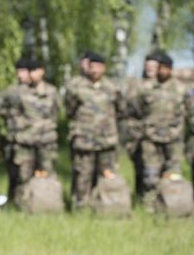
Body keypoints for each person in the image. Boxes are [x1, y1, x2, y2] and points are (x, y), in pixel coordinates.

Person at [132, 52, 193, 209]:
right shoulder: (146, 88)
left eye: (167, 68)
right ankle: (150, 206)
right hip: (150, 139)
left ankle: (173, 205)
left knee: (173, 175)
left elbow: (190, 112)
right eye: (161, 68)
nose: (163, 71)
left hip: (174, 139)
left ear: (171, 70)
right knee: (150, 176)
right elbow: (137, 110)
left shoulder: (181, 89)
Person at [65, 52, 124, 209]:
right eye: (92, 66)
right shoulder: (75, 87)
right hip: (84, 140)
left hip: (107, 140)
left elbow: (120, 110)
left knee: (107, 174)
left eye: (98, 66)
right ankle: (81, 207)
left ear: (104, 68)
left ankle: (106, 206)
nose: (95, 70)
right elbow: (69, 110)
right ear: (87, 67)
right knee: (83, 175)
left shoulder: (112, 88)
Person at [8, 59, 60, 208]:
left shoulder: (51, 92)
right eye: (30, 71)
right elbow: (13, 113)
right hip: (25, 141)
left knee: (47, 173)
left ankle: (47, 205)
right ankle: (22, 206)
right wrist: (23, 126)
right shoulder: (19, 92)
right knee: (23, 176)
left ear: (42, 71)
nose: (32, 74)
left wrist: (46, 127)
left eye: (35, 70)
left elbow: (57, 112)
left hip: (47, 141)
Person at [0, 57, 31, 205]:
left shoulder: (40, 90)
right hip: (14, 138)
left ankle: (28, 200)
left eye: (24, 71)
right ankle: (12, 201)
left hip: (34, 139)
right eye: (19, 71)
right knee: (13, 172)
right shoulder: (11, 91)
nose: (21, 74)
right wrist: (10, 118)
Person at [124, 52, 158, 200]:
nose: (150, 69)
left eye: (153, 66)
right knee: (140, 168)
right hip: (139, 136)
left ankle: (160, 199)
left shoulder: (165, 85)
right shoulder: (136, 85)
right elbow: (129, 110)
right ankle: (140, 198)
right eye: (148, 66)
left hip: (162, 136)